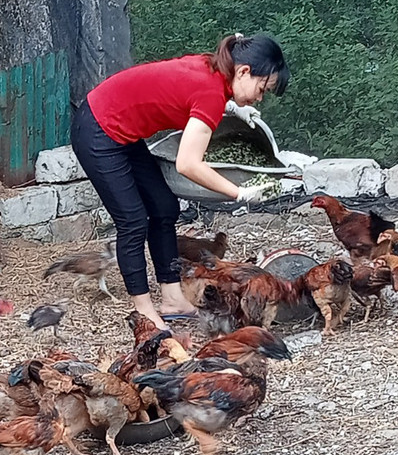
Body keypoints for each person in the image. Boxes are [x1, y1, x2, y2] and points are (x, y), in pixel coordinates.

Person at [71, 33, 290, 331]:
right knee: (133, 220)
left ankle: (172, 299)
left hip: (121, 130)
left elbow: (195, 92)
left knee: (163, 206)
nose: (259, 97)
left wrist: (234, 107)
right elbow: (188, 164)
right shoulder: (211, 93)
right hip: (98, 129)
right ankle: (144, 312)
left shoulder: (216, 70)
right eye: (262, 88)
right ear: (243, 71)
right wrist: (239, 192)